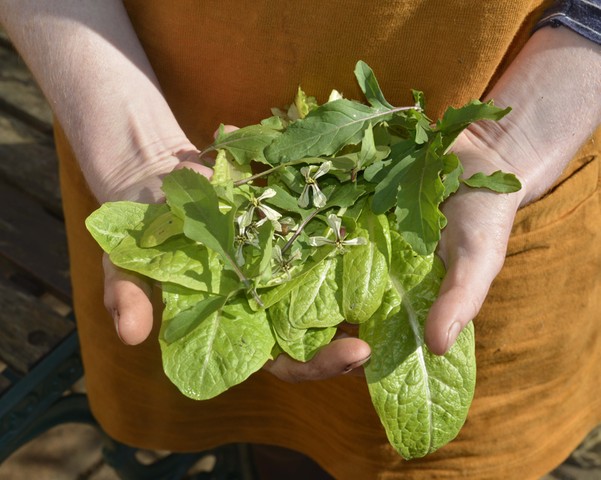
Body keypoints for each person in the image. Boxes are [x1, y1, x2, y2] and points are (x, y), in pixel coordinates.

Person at [1, 1, 600, 478]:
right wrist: (128, 143)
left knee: (436, 456)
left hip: (499, 127)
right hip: (152, 102)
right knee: (269, 430)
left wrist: (514, 141)